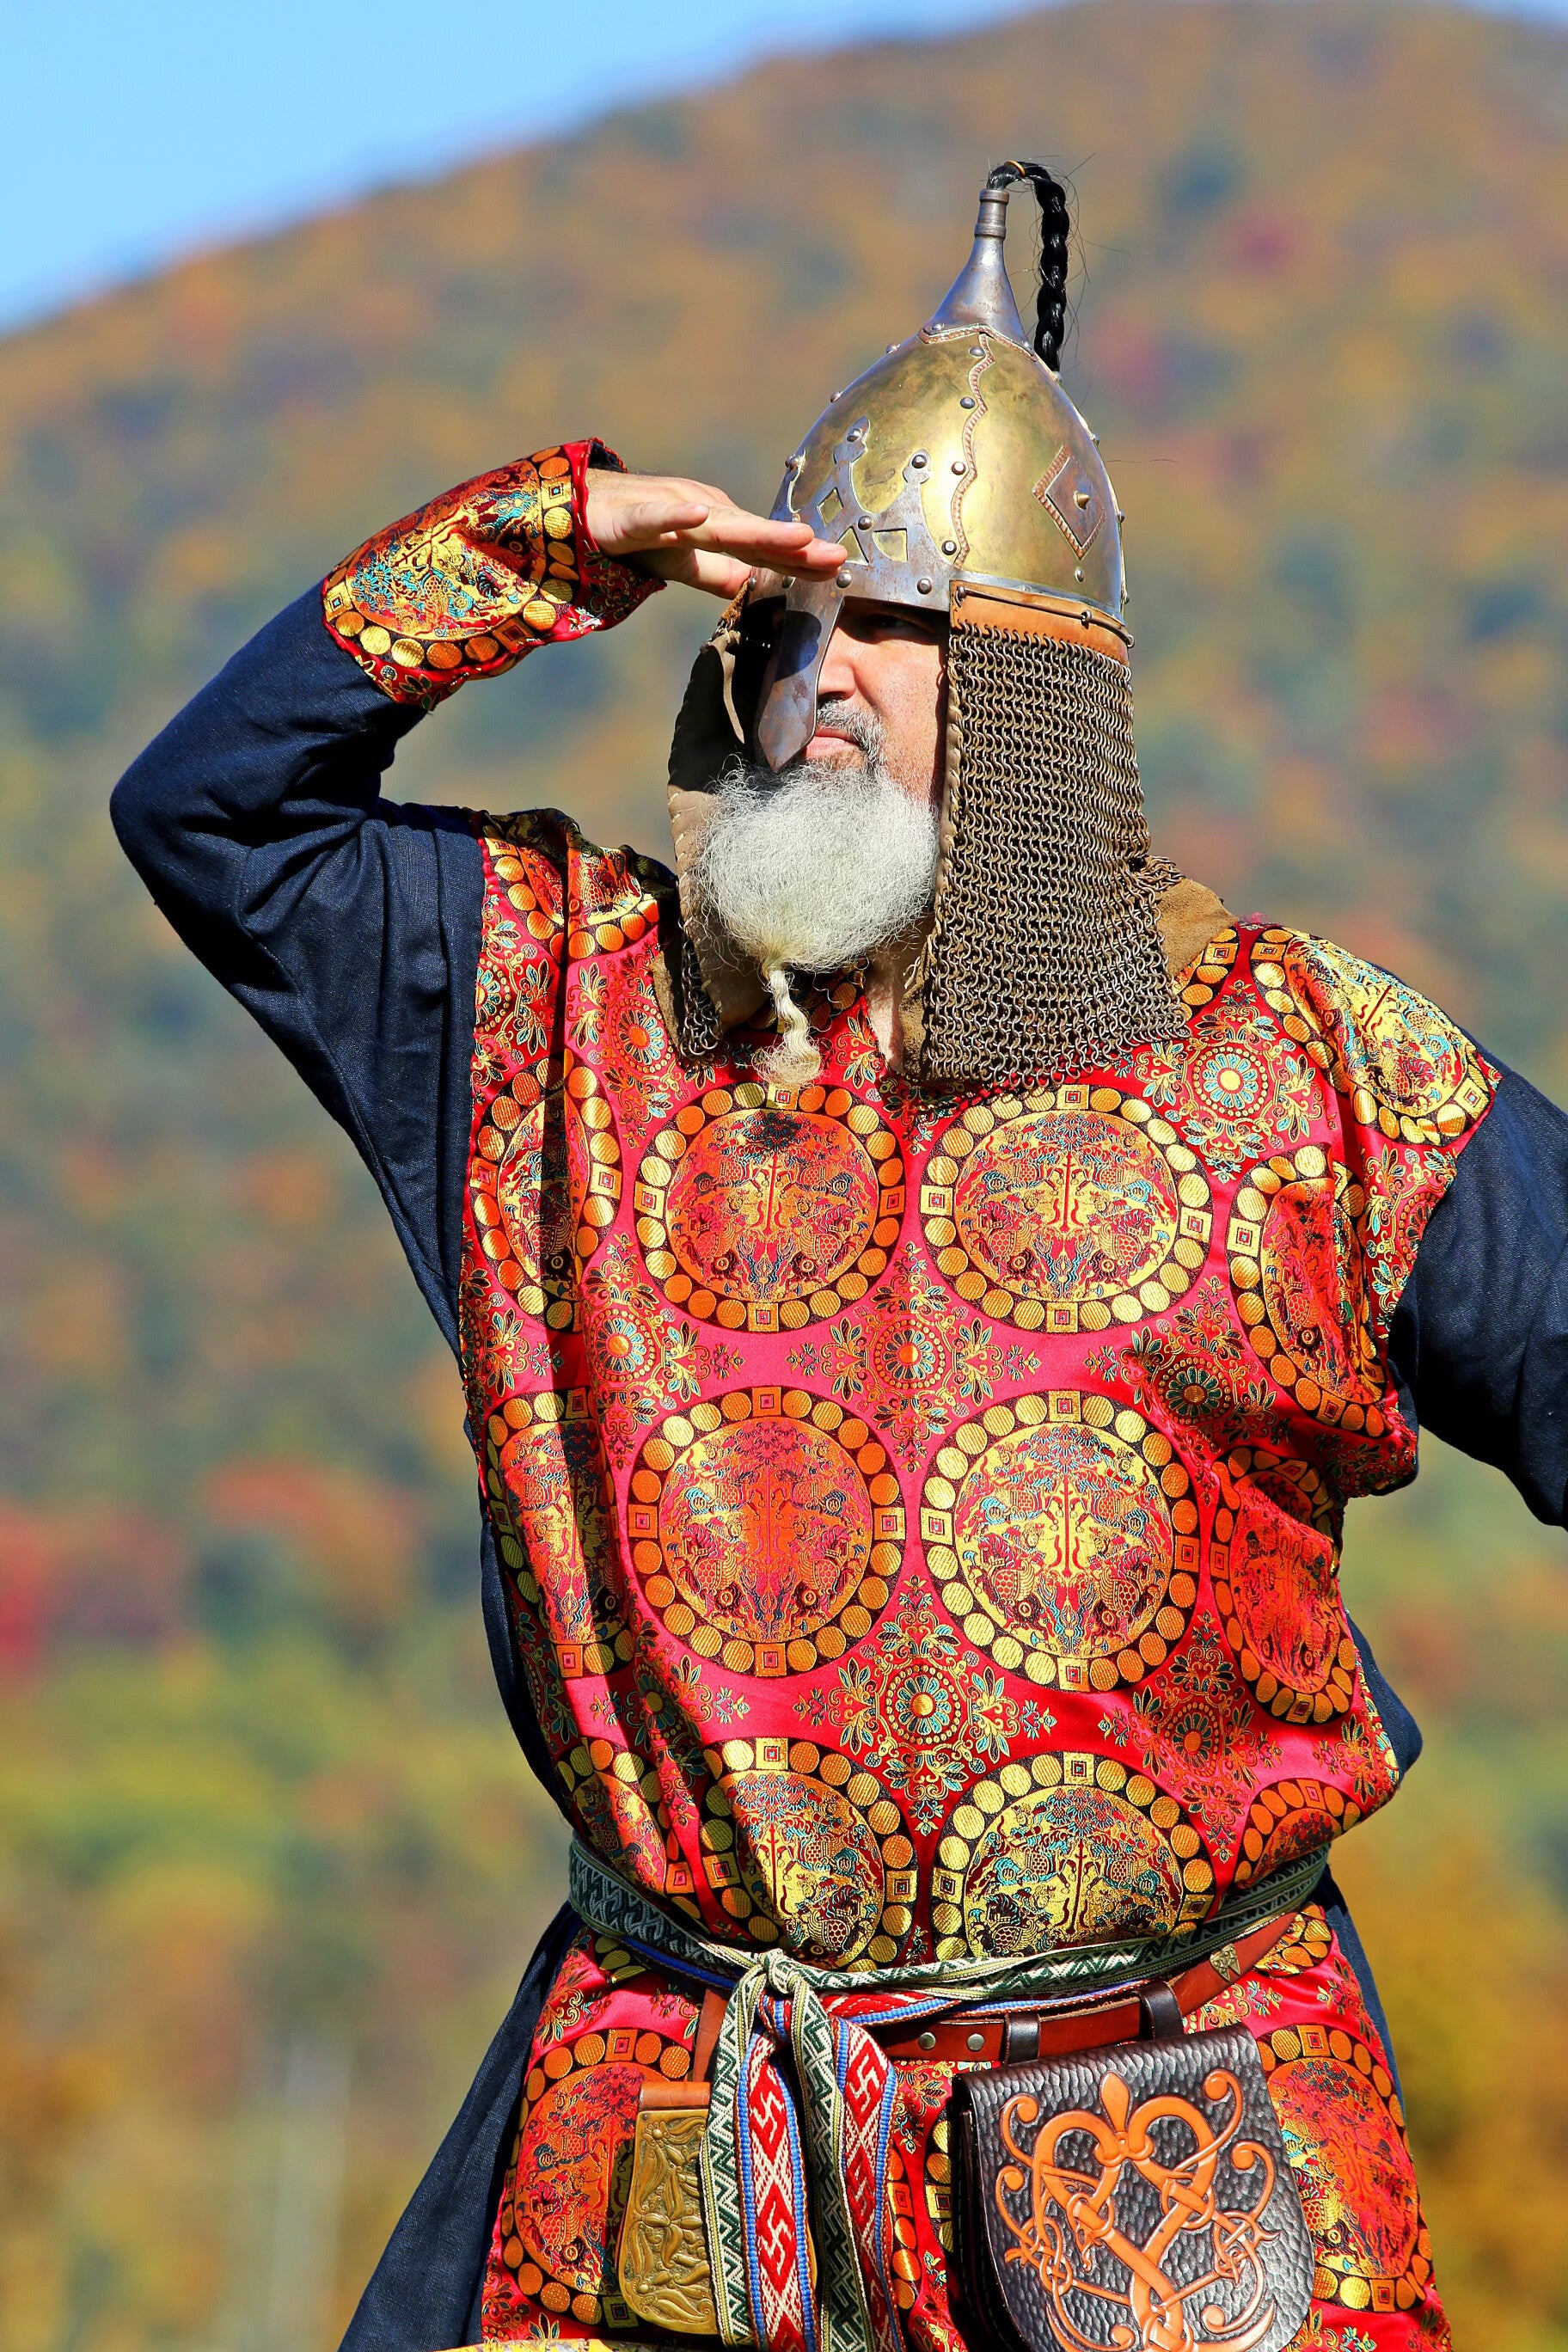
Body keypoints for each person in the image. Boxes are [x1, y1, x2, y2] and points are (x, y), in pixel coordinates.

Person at [112, 161, 1567, 2352]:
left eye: (890, 626)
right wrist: (545, 545)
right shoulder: (548, 1012)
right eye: (791, 628)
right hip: (672, 2141)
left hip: (1189, 2163)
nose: (823, 682)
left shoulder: (1307, 1079)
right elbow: (213, 818)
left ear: (1041, 693)